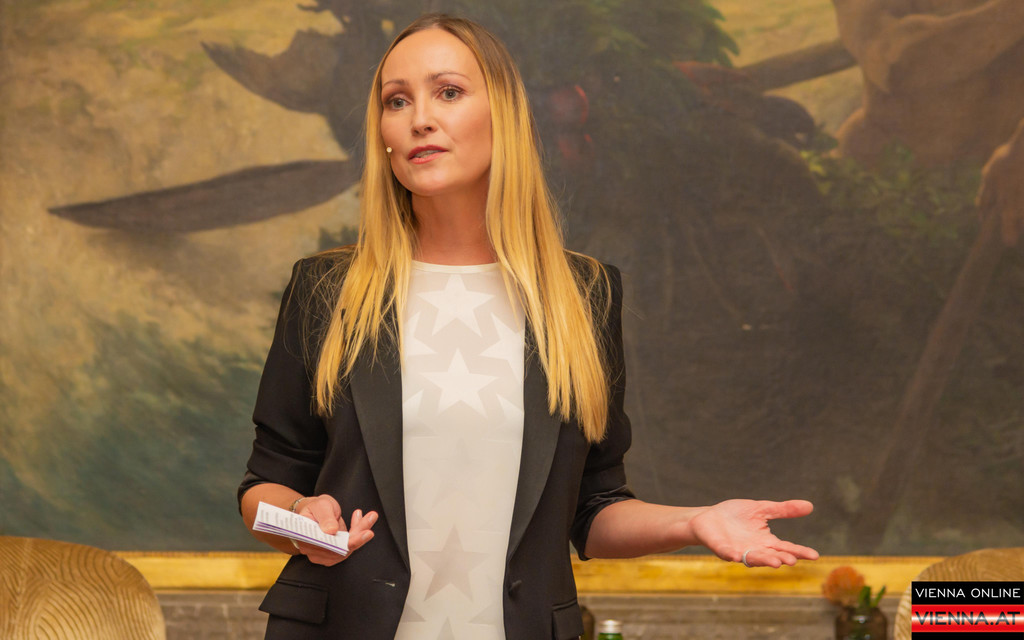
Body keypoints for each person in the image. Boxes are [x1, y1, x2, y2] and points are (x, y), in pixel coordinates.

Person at [238, 13, 819, 640]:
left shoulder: (584, 295)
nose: (418, 119)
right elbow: (263, 486)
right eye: (396, 101)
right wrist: (300, 515)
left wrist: (694, 522)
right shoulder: (327, 291)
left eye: (448, 92)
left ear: (505, 117)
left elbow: (593, 509)